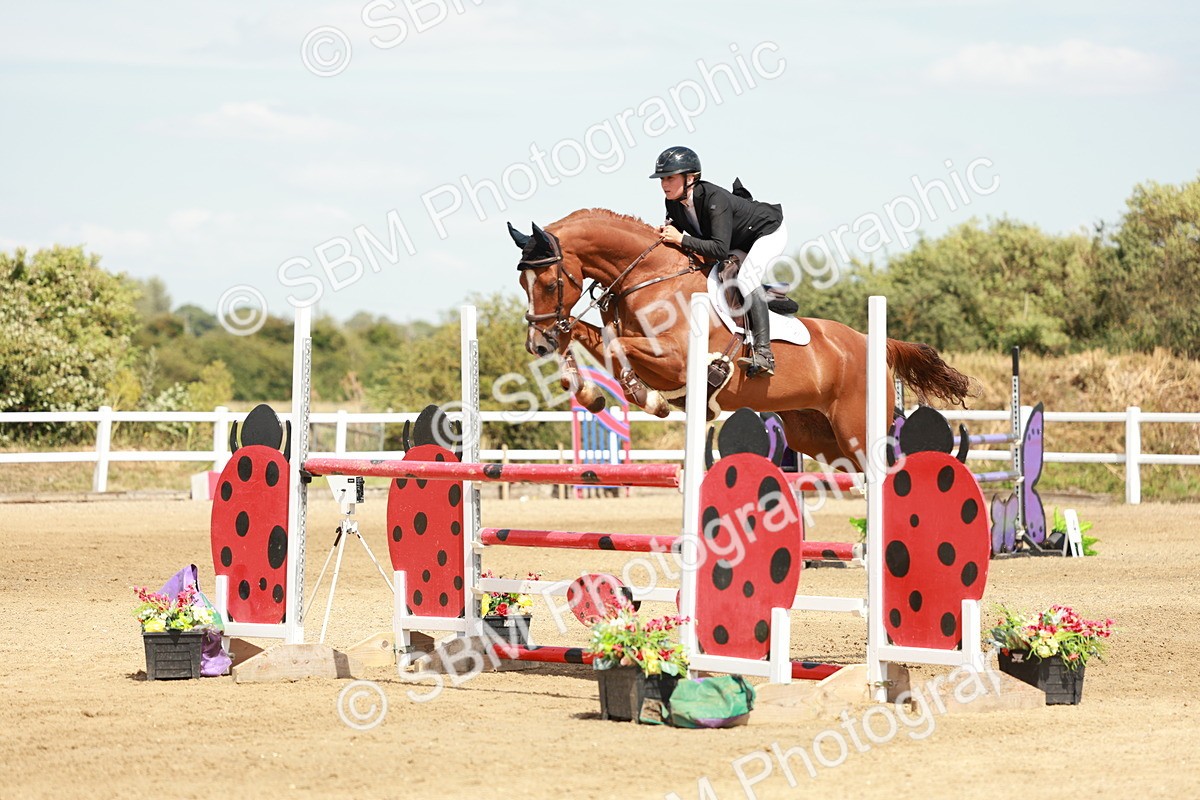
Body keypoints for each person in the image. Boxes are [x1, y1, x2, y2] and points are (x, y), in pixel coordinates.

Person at [650, 146, 787, 377]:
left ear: (690, 178)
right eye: (662, 179)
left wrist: (680, 238)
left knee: (746, 278)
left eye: (670, 178)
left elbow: (719, 249)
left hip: (766, 232)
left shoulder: (714, 198)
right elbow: (681, 240)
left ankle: (764, 354)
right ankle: (770, 294)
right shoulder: (672, 202)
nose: (664, 184)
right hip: (736, 239)